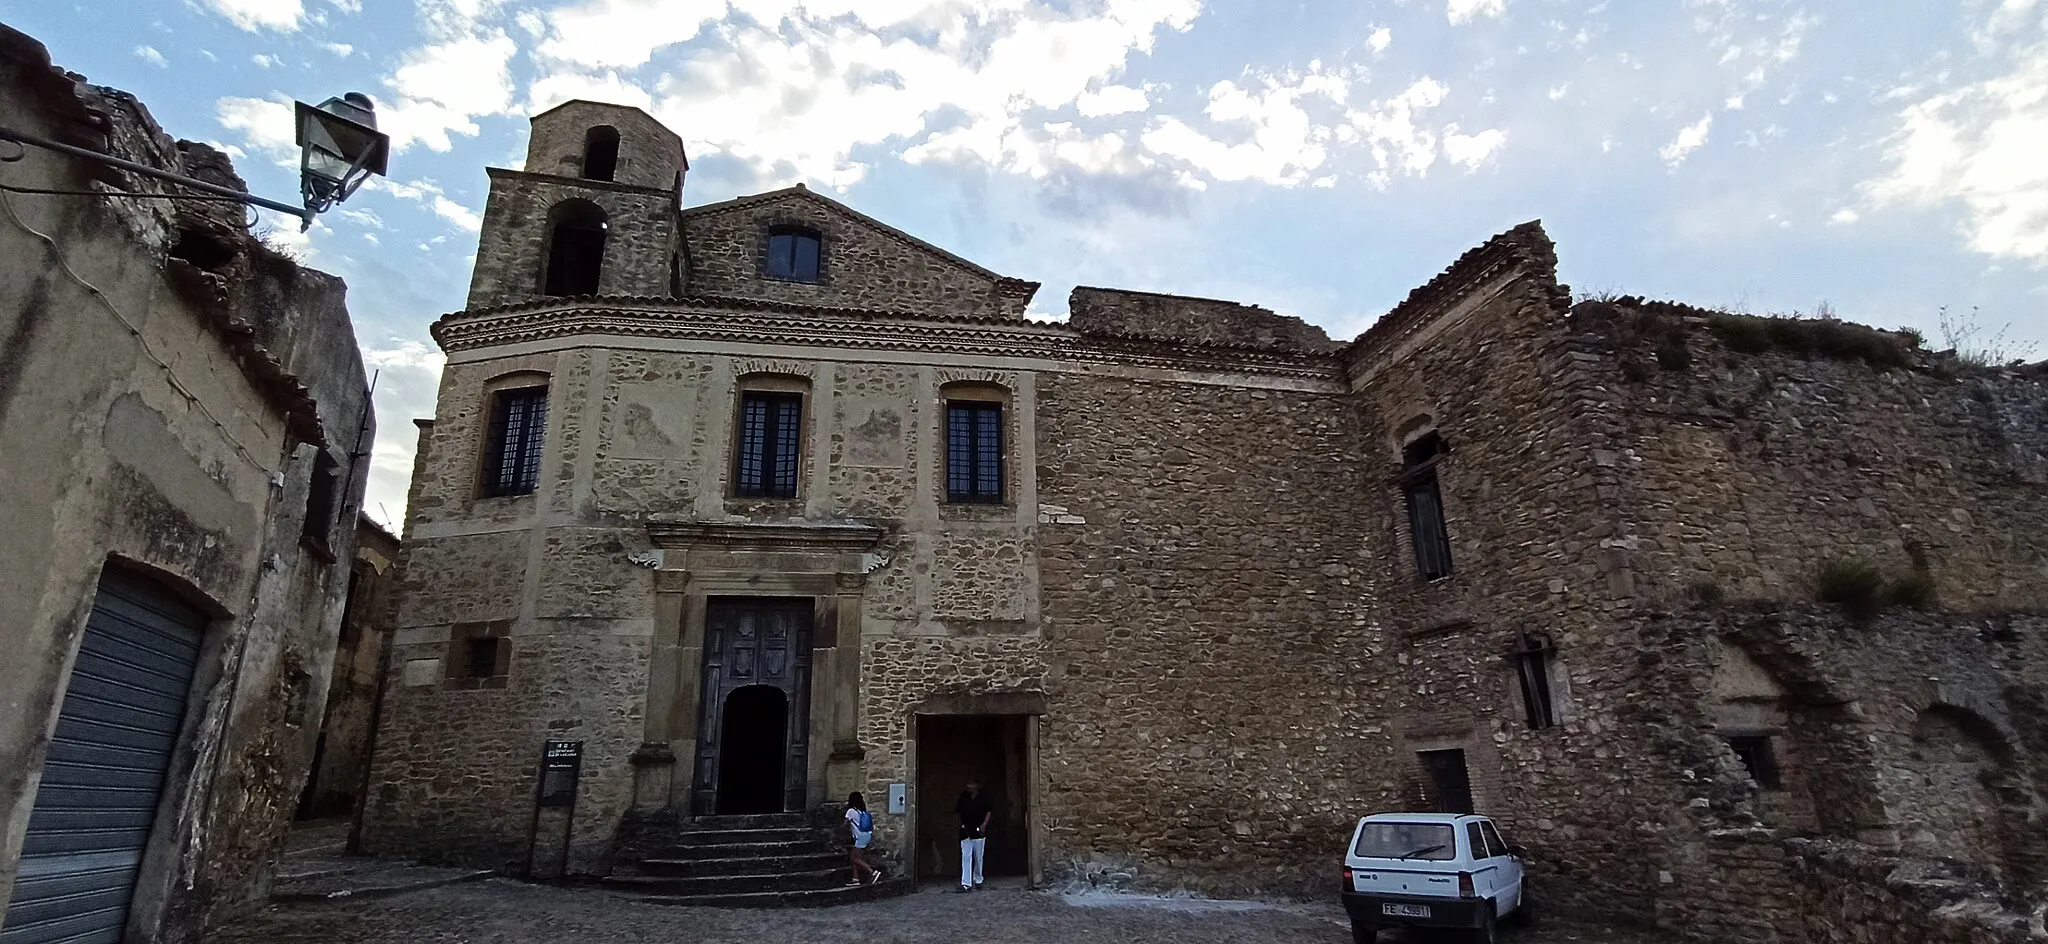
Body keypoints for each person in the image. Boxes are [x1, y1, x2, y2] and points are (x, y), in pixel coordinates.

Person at [954, 780, 992, 892]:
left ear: (977, 786)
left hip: (979, 830)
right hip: (965, 830)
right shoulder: (963, 797)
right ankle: (966, 883)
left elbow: (988, 811)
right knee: (966, 856)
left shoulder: (983, 798)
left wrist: (984, 824)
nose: (968, 786)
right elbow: (958, 812)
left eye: (971, 784)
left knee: (978, 856)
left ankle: (978, 879)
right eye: (968, 784)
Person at [844, 792, 880, 886]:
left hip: (859, 837)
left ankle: (871, 871)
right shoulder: (861, 811)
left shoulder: (851, 811)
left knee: (853, 858)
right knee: (857, 857)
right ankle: (855, 879)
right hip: (866, 835)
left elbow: (845, 823)